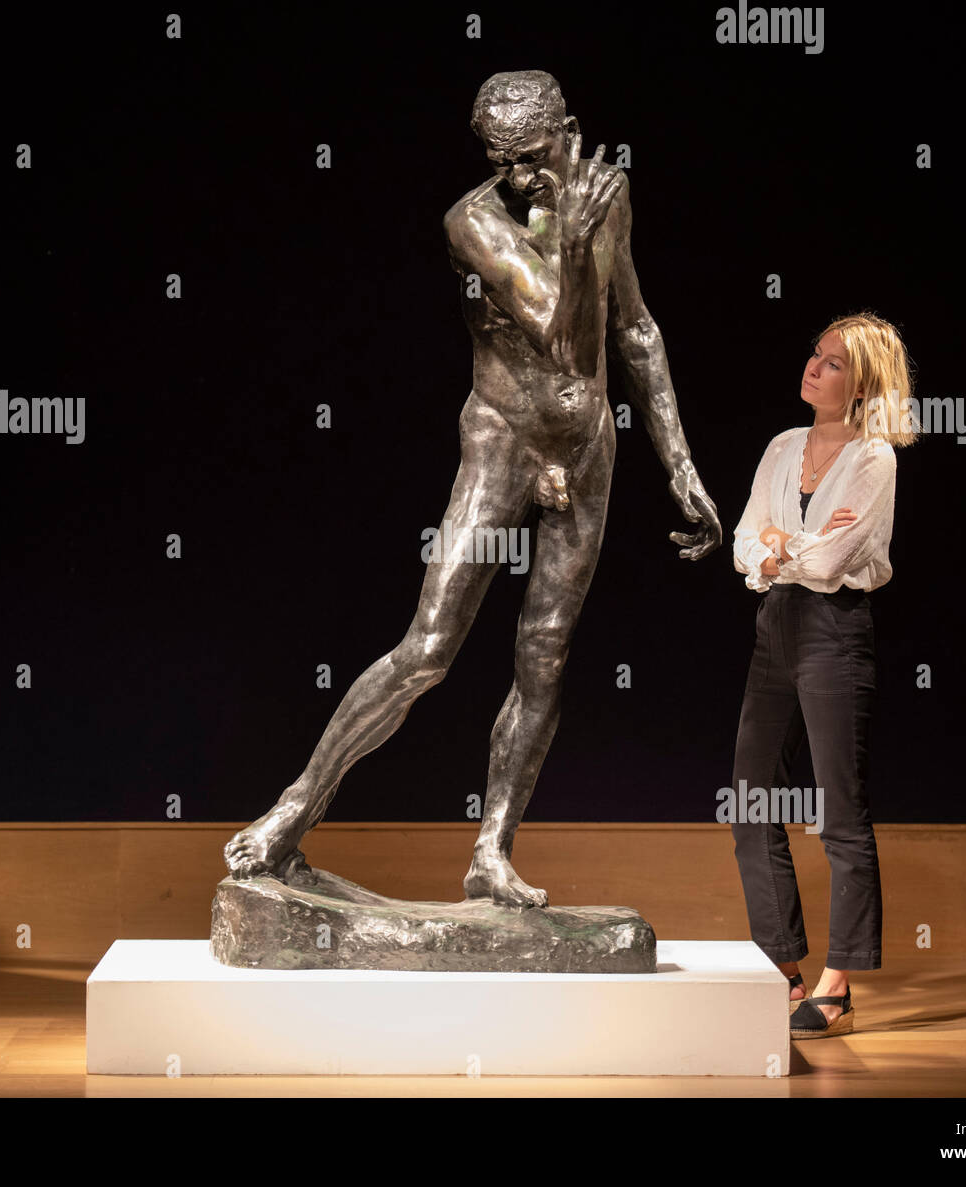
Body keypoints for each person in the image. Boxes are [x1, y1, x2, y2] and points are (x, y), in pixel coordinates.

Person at [224, 70, 721, 905]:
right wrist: (570, 239)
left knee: (545, 656)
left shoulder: (606, 194)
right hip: (504, 441)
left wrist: (678, 462)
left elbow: (632, 328)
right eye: (505, 162)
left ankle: (492, 848)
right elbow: (561, 335)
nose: (523, 176)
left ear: (569, 128)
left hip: (589, 445)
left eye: (535, 156)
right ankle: (292, 810)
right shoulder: (473, 223)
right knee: (428, 648)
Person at [730, 311, 916, 1038]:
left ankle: (839, 980)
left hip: (835, 634)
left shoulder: (874, 459)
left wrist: (783, 548)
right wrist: (775, 550)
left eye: (834, 363)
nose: (814, 366)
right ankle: (785, 969)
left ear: (864, 384)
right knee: (748, 801)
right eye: (816, 354)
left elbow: (833, 561)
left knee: (840, 810)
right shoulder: (781, 447)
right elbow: (746, 539)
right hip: (775, 627)